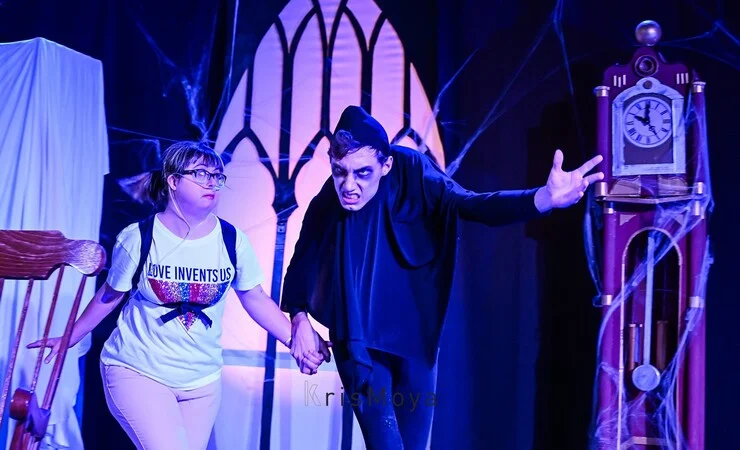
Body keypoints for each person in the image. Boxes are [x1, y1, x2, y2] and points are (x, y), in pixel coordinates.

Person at [281, 105, 604, 449]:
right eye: (339, 171)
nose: (349, 186)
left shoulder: (412, 171)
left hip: (413, 338)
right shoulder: (328, 200)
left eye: (363, 173)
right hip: (359, 340)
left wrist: (542, 199)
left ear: (386, 165)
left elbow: (470, 204)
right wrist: (299, 319)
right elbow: (301, 262)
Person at [28, 141, 330, 450]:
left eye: (217, 176)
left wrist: (298, 343)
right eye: (201, 174)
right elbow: (109, 295)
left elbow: (254, 298)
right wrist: (69, 338)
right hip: (138, 371)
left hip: (201, 383)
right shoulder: (139, 237)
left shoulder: (231, 240)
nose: (211, 183)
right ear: (173, 180)